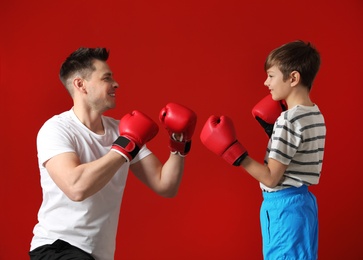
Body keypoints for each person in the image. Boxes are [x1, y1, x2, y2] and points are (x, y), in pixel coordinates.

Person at [29, 47, 197, 260]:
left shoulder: (121, 130)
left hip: (98, 254)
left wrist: (178, 143)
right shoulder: (56, 129)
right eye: (107, 78)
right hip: (57, 248)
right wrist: (126, 146)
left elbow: (166, 185)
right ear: (80, 84)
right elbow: (76, 188)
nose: (116, 84)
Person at [200, 40, 326, 259]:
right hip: (304, 205)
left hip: (283, 208)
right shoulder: (314, 114)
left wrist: (233, 151)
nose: (266, 82)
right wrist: (272, 133)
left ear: (293, 78)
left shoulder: (288, 120)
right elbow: (298, 155)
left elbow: (271, 179)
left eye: (271, 75)